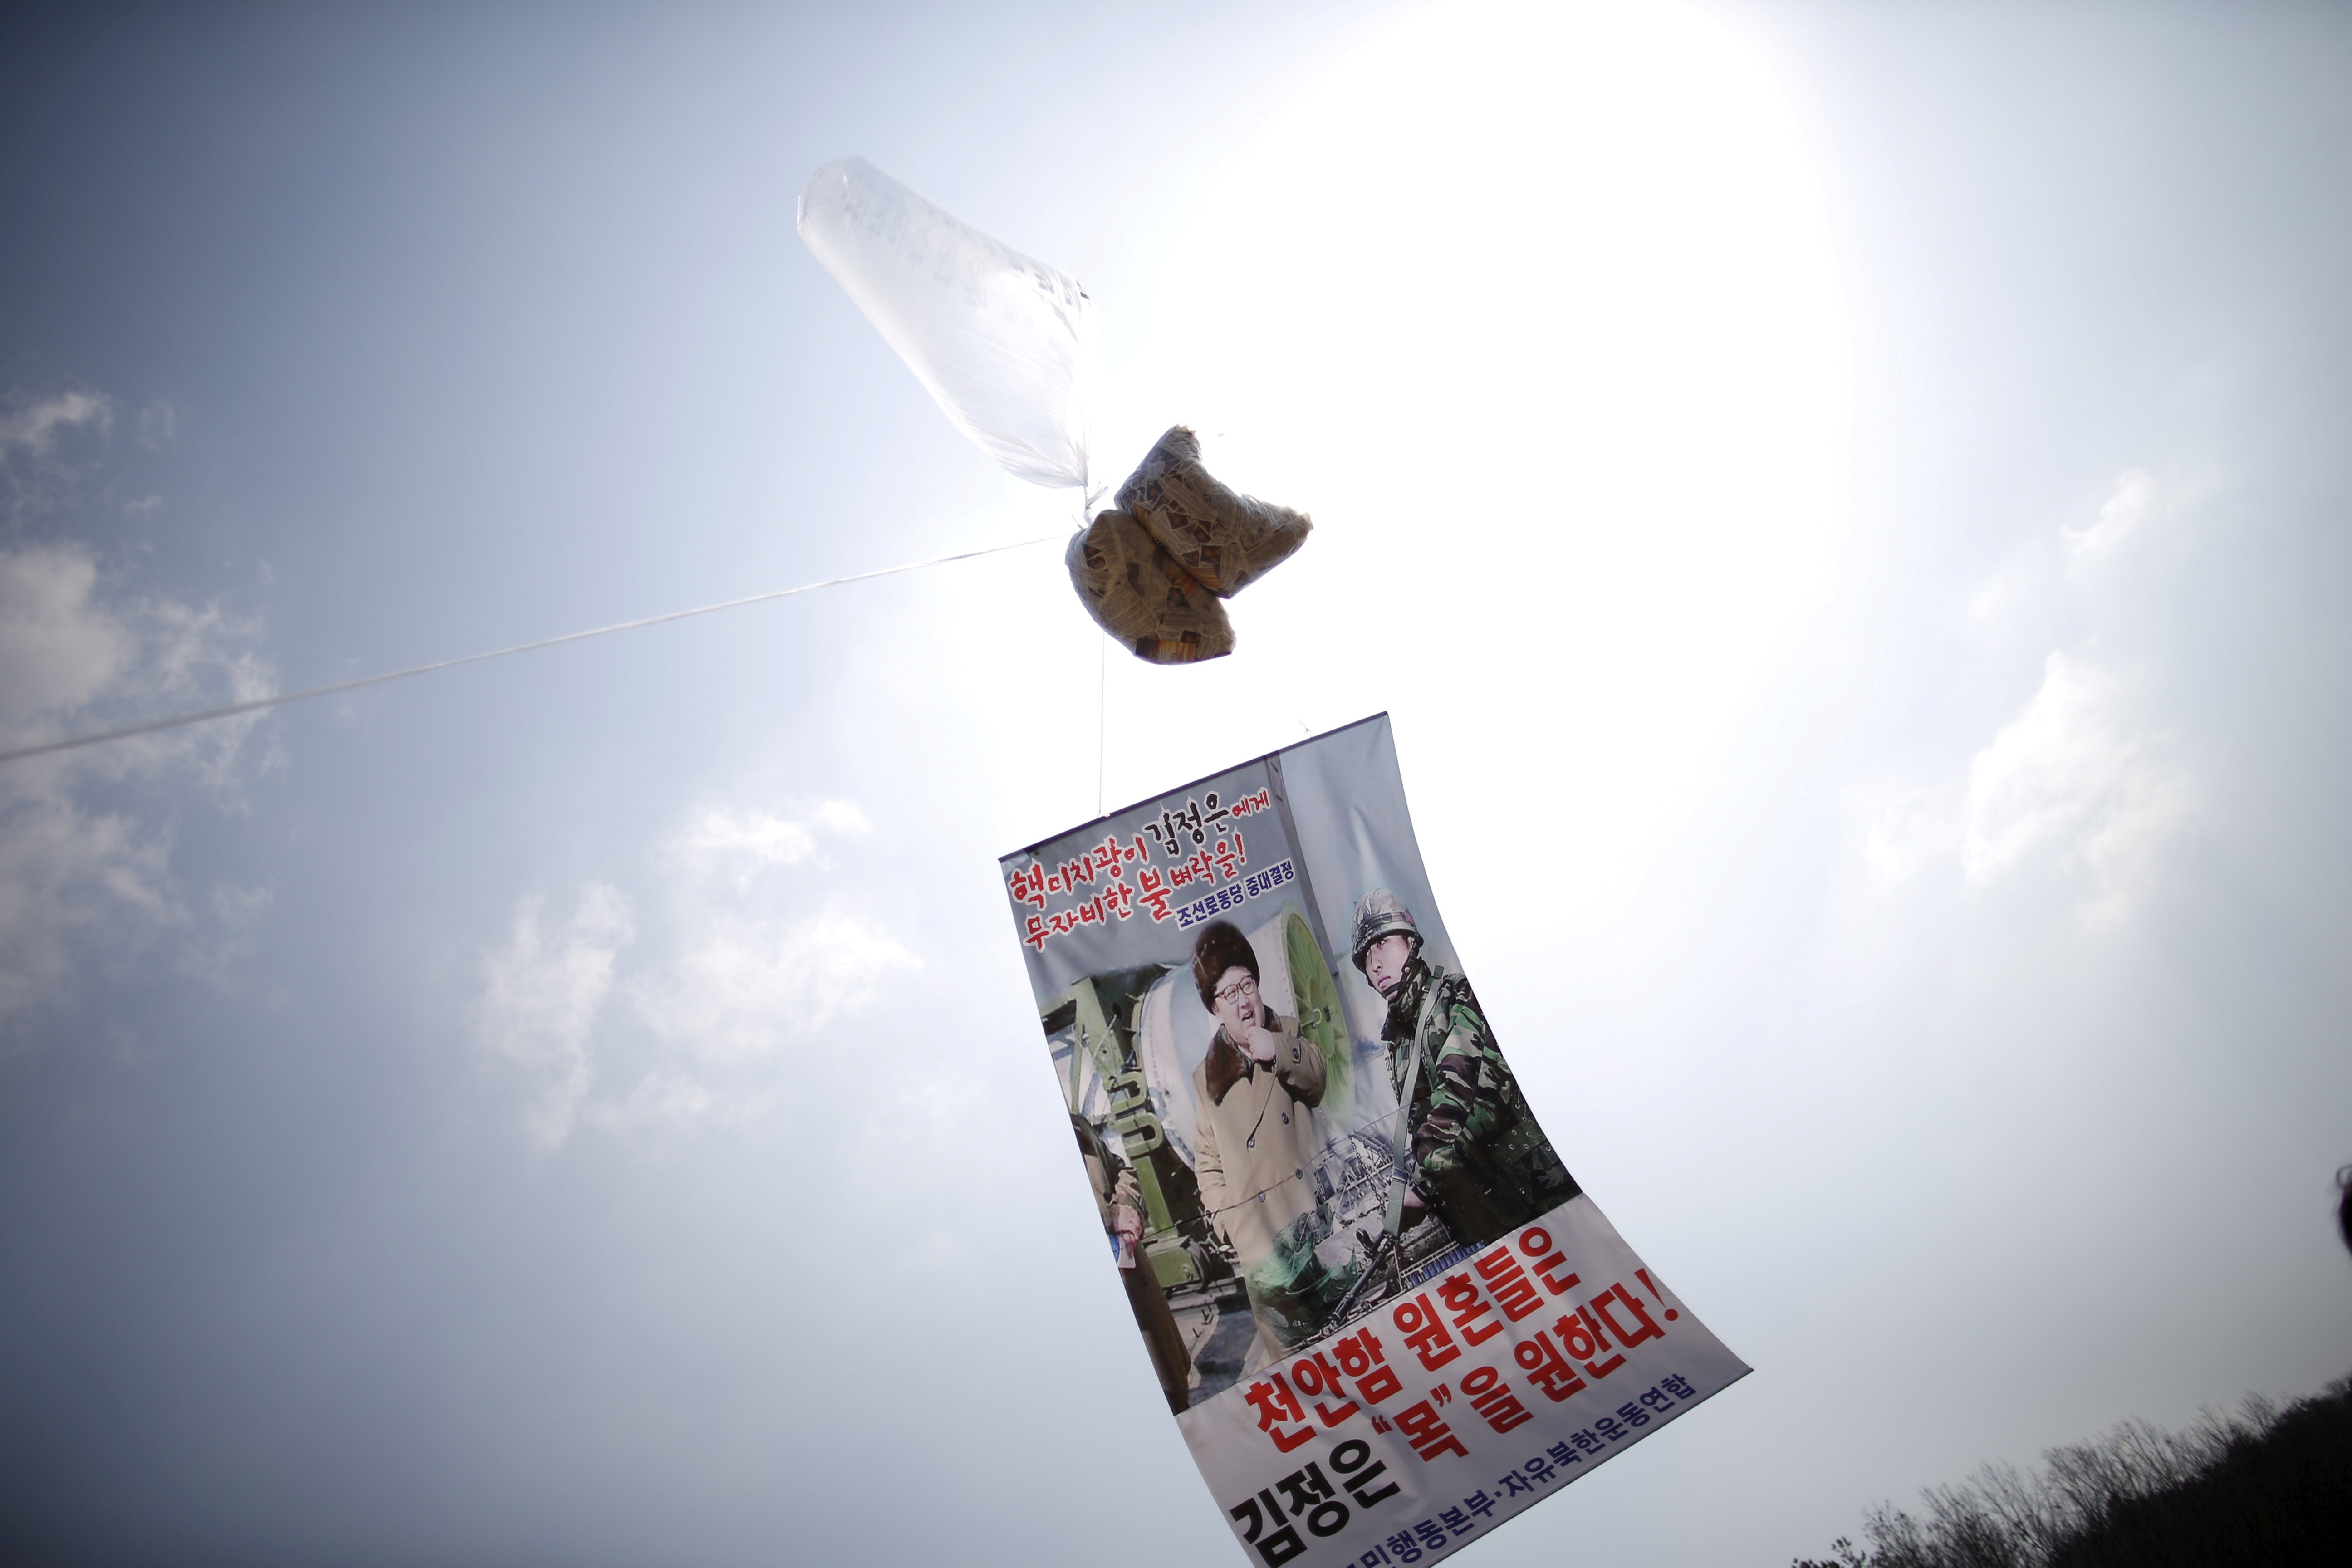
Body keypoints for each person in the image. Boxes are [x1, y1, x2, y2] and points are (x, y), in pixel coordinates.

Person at [1350, 888, 1577, 1251]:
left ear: (1410, 942)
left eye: (1383, 943)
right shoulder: (1398, 1045)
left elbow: (1467, 1099)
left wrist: (1422, 1187)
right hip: (1496, 1214)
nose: (1375, 964)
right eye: (1365, 956)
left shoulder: (1455, 997)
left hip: (1544, 1192)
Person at [1187, 919, 1349, 1368]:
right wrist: (1235, 1227)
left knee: (1358, 1345)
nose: (1243, 1001)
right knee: (1307, 1373)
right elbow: (1208, 1165)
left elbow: (1319, 1081)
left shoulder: (1291, 1033)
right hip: (1265, 1253)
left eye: (1247, 986)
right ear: (1215, 1008)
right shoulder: (1207, 1080)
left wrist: (1276, 1050)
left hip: (1317, 1230)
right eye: (1229, 994)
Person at [1073, 1112, 1193, 1414]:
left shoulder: (1077, 1126)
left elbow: (1121, 1171)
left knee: (1173, 1385)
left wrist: (1126, 1204)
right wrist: (1107, 1218)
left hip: (1135, 1283)